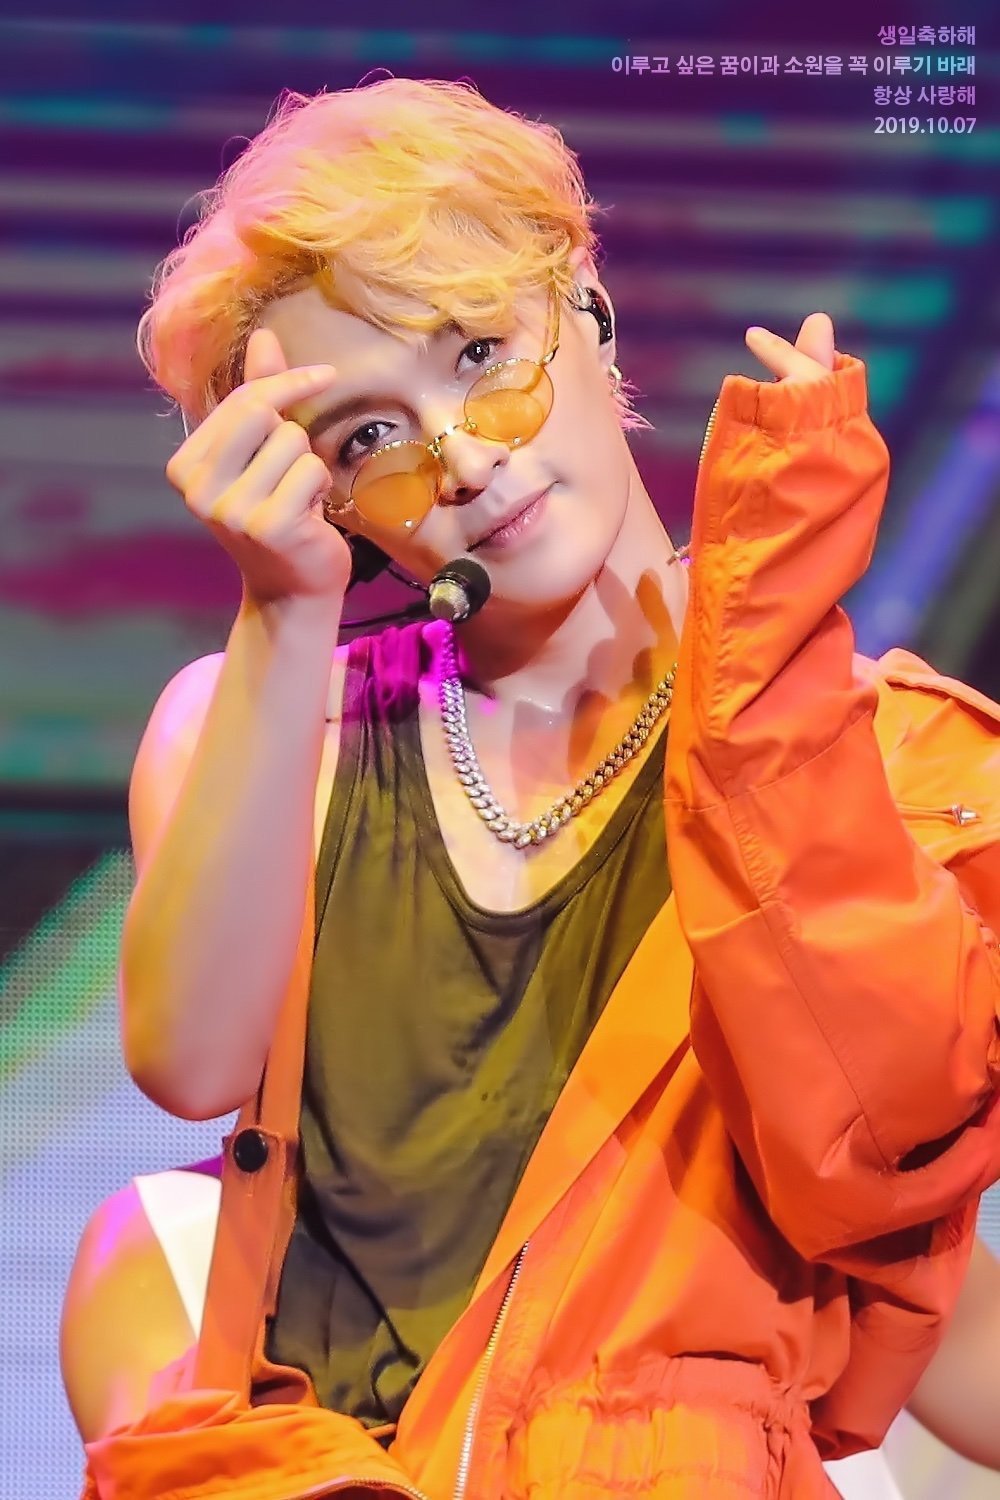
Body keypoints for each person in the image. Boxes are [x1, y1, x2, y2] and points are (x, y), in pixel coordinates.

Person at [61, 77, 1000, 1499]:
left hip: (673, 1459)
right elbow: (191, 1067)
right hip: (336, 1461)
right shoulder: (272, 720)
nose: (462, 456)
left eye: (480, 352)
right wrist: (283, 611)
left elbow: (873, 1172)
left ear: (589, 310)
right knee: (142, 1247)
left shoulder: (904, 758)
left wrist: (762, 669)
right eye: (367, 438)